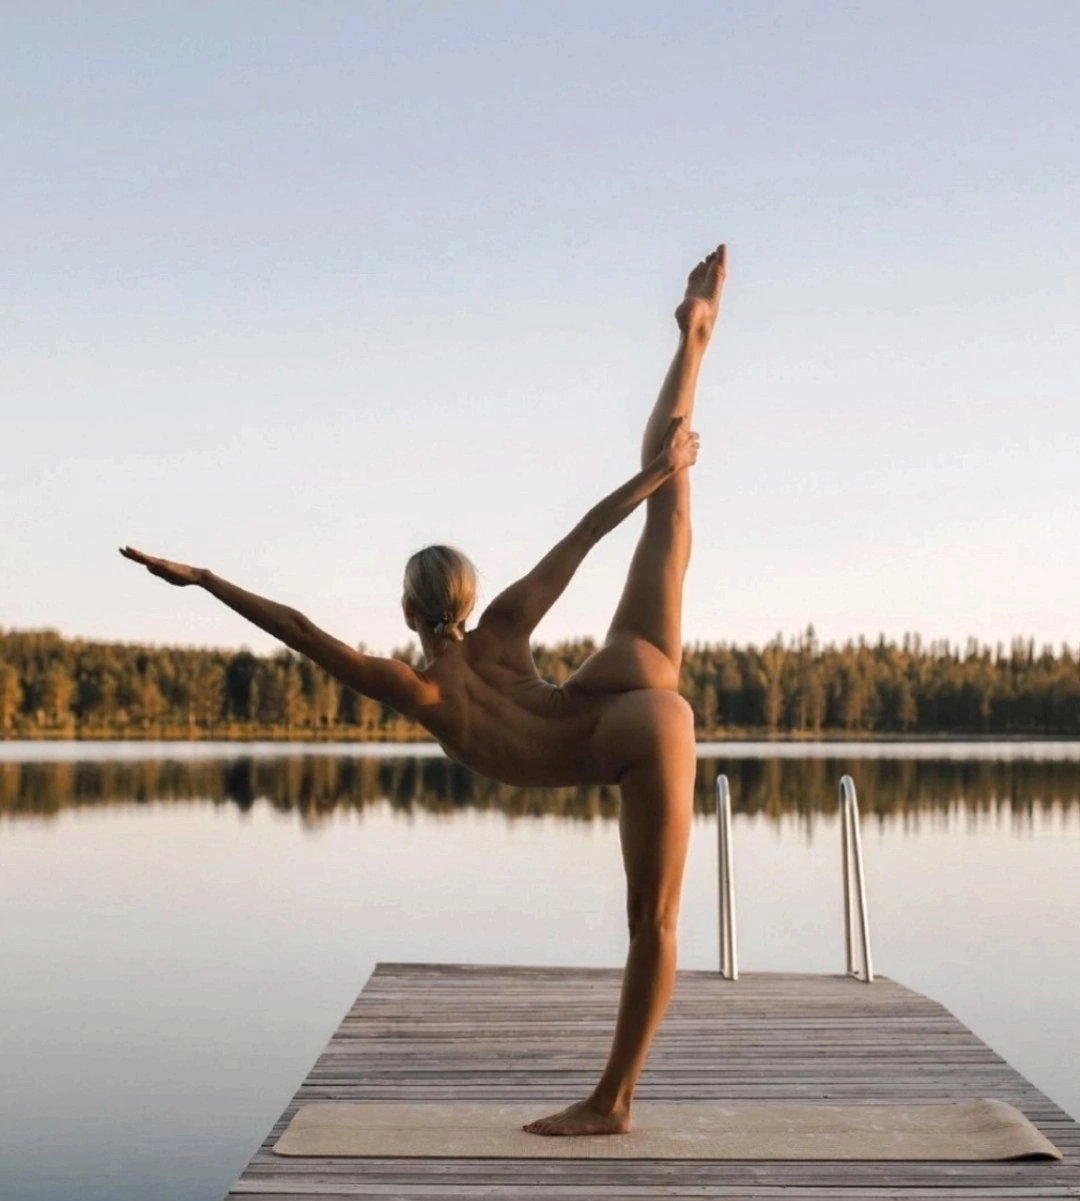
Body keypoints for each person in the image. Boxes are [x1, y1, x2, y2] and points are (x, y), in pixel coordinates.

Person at [121, 244, 727, 1136]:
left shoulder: (420, 691)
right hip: (617, 685)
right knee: (667, 526)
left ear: (408, 606)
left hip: (629, 737)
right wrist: (661, 468)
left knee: (655, 922)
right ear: (470, 596)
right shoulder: (509, 624)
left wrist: (208, 579)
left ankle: (613, 1102)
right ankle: (694, 348)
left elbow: (302, 631)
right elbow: (586, 533)